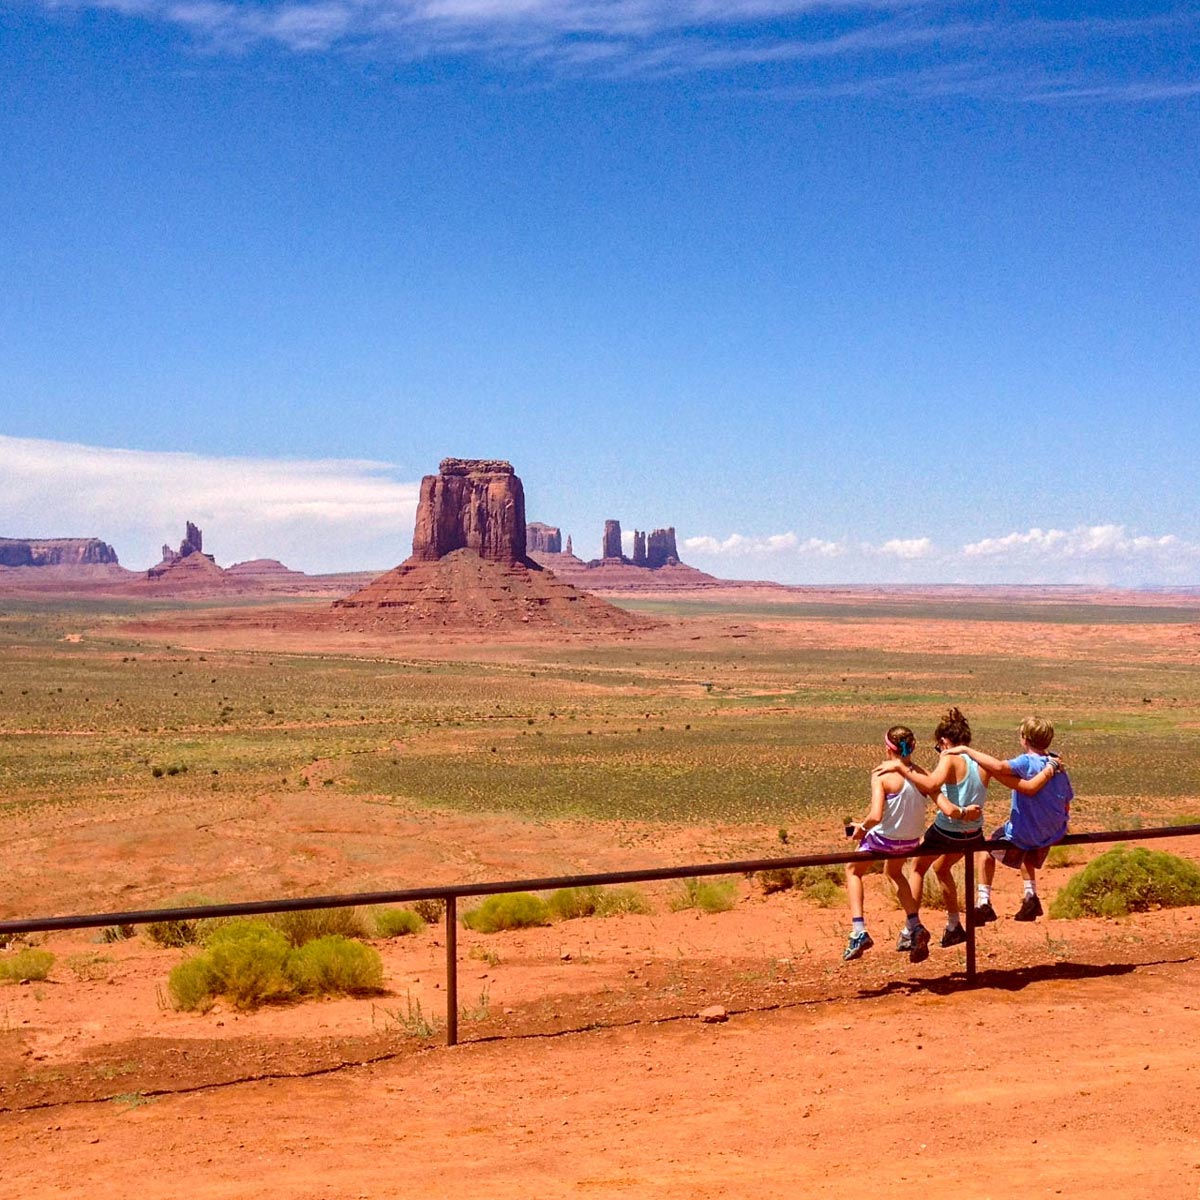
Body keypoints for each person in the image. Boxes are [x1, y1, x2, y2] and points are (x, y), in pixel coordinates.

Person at [875, 707, 985, 948]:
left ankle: (911, 928)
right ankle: (954, 925)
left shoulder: (949, 758)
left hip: (949, 830)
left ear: (945, 742)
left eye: (939, 746)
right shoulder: (980, 760)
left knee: (917, 868)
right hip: (974, 833)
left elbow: (931, 784)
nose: (940, 751)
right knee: (942, 867)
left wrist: (901, 768)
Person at [945, 716, 1072, 922]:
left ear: (1025, 739)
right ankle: (1030, 896)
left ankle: (983, 902)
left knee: (987, 850)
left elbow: (1000, 767)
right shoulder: (1058, 767)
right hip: (1052, 831)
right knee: (1026, 848)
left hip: (1027, 832)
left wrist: (967, 751)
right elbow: (1067, 800)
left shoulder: (1026, 762)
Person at [843, 725, 931, 963]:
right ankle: (914, 924)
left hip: (885, 840)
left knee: (852, 870)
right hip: (911, 841)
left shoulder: (882, 775)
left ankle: (858, 930)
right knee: (894, 872)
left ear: (887, 747)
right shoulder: (921, 773)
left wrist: (861, 830)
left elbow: (876, 815)